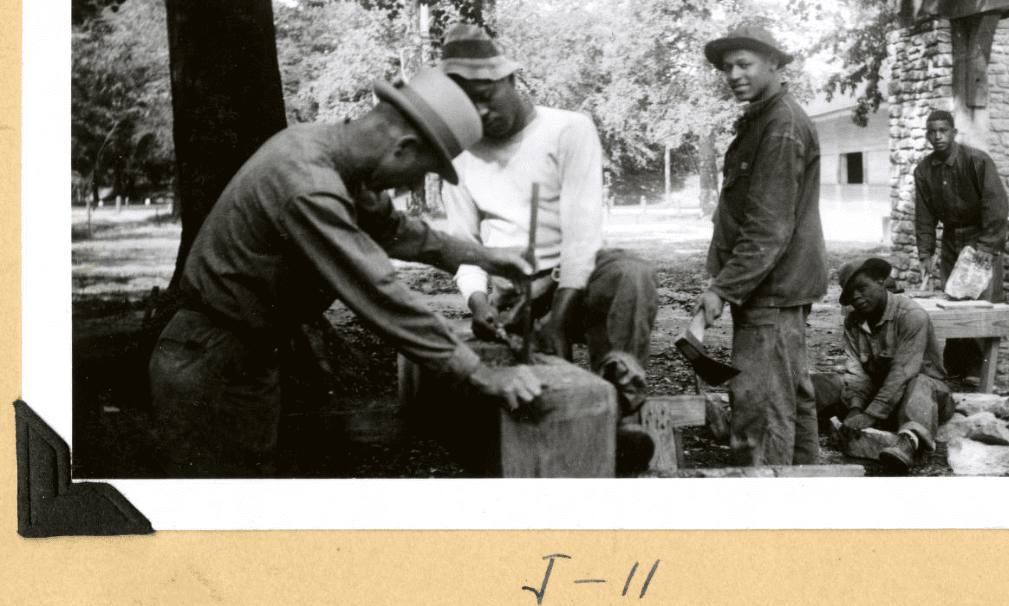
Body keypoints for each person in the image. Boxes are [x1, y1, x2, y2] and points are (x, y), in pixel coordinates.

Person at [148, 70, 543, 477]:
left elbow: (396, 231)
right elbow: (376, 289)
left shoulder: (337, 160)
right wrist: (479, 374)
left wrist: (488, 257)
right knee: (221, 513)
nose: (414, 183)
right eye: (424, 171)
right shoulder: (308, 183)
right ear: (404, 148)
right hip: (212, 361)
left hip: (241, 354)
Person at [436, 24, 658, 466]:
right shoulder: (457, 154)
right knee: (517, 391)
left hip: (575, 277)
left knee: (630, 276)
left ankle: (621, 413)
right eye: (467, 103)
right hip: (511, 287)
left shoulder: (568, 129)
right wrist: (478, 301)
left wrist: (559, 316)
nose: (481, 111)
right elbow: (463, 244)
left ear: (512, 81)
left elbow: (583, 231)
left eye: (487, 94)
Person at [694, 24, 828, 467]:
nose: (733, 74)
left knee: (760, 411)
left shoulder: (781, 126)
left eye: (744, 64)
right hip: (771, 291)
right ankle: (810, 505)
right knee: (790, 397)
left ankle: (762, 514)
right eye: (727, 67)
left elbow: (767, 230)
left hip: (771, 292)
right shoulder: (762, 120)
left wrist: (722, 289)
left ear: (773, 63)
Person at [811, 257, 954, 474]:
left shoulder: (911, 316)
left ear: (880, 282)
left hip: (925, 395)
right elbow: (856, 372)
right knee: (821, 383)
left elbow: (903, 373)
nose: (856, 297)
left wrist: (870, 415)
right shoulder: (853, 322)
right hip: (881, 394)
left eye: (861, 288)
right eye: (850, 293)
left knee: (919, 383)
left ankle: (909, 441)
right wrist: (856, 408)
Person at [913, 109, 1009, 375]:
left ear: (953, 133)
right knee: (953, 303)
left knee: (980, 304)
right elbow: (924, 216)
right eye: (932, 131)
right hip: (951, 241)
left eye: (943, 130)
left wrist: (988, 246)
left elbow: (996, 206)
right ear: (927, 135)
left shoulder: (977, 161)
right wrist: (926, 253)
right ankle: (956, 368)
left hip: (980, 239)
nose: (938, 136)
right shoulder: (924, 171)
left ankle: (981, 373)